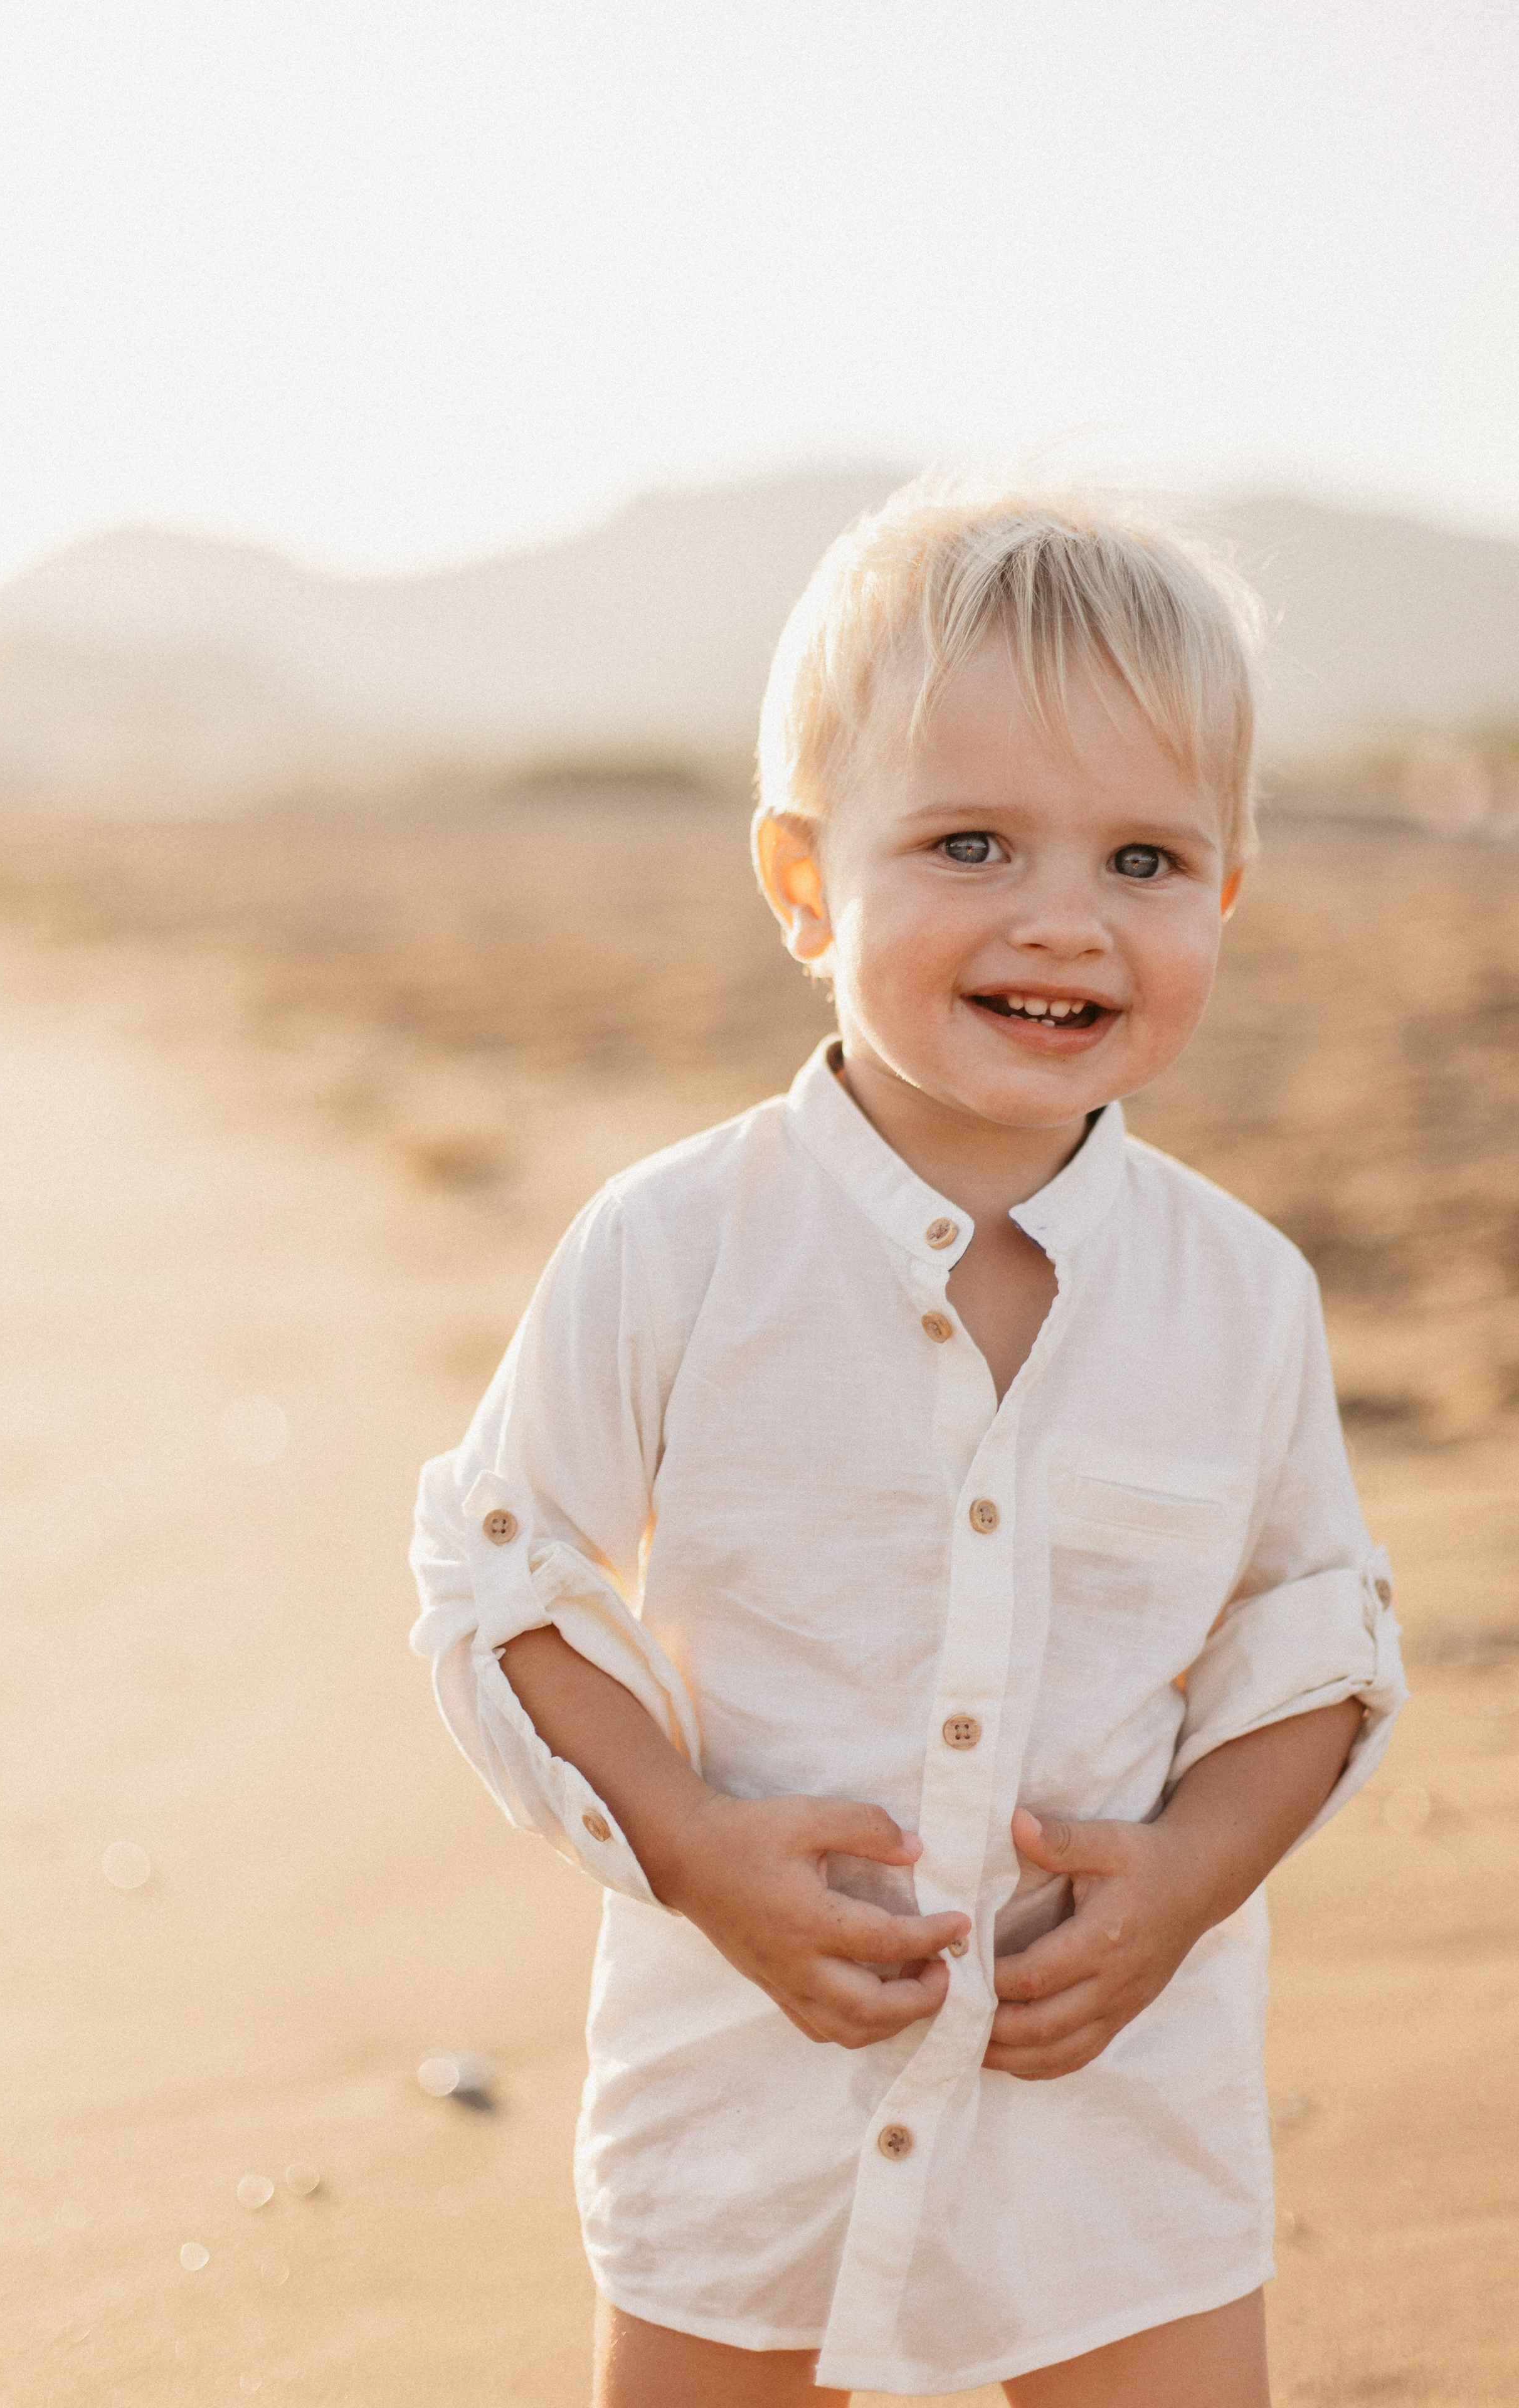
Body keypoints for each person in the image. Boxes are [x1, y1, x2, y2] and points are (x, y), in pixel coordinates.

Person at [409, 483, 1405, 2406]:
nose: (1064, 919)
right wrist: (692, 1846)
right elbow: (501, 1569)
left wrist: (1191, 1876)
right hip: (751, 2090)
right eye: (970, 843)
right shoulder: (677, 1249)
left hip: (1115, 2111)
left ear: (1225, 894)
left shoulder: (1243, 1294)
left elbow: (1319, 1638)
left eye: (1143, 858)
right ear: (802, 884)